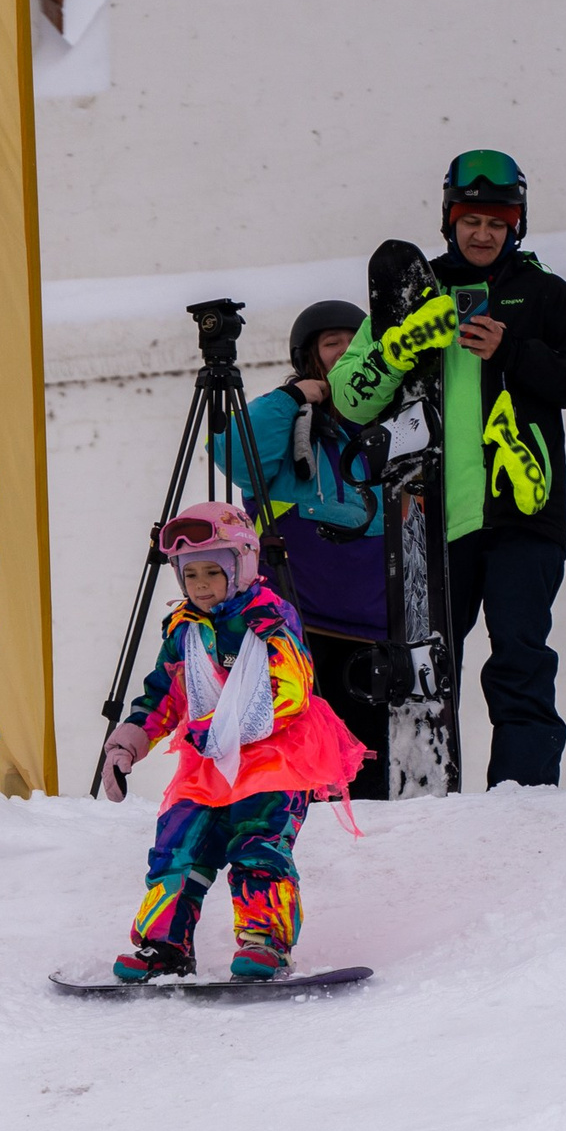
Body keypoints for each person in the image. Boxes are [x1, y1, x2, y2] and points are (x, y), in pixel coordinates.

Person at [328, 149, 566, 786]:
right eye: (470, 221)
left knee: (520, 656)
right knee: (428, 670)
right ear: (449, 220)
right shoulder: (413, 291)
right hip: (429, 521)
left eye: (497, 223)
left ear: (517, 225)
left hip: (524, 514)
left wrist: (514, 352)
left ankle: (524, 792)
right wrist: (399, 348)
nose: (483, 234)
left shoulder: (543, 291)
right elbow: (349, 398)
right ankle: (427, 794)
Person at [95, 503, 367, 983]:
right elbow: (164, 694)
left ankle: (265, 943)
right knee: (178, 847)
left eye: (211, 573)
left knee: (258, 846)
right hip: (209, 762)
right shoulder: (183, 629)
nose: (200, 585)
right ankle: (166, 945)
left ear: (240, 567)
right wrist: (128, 745)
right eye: (190, 574)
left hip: (275, 756)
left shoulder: (268, 617)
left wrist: (217, 728)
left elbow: (289, 691)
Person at [210, 299, 392, 797]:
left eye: (357, 342)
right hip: (297, 631)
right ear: (309, 358)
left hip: (381, 634)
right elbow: (233, 454)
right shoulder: (289, 425)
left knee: (368, 780)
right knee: (300, 773)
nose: (347, 351)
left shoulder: (395, 425)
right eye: (333, 343)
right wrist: (291, 397)